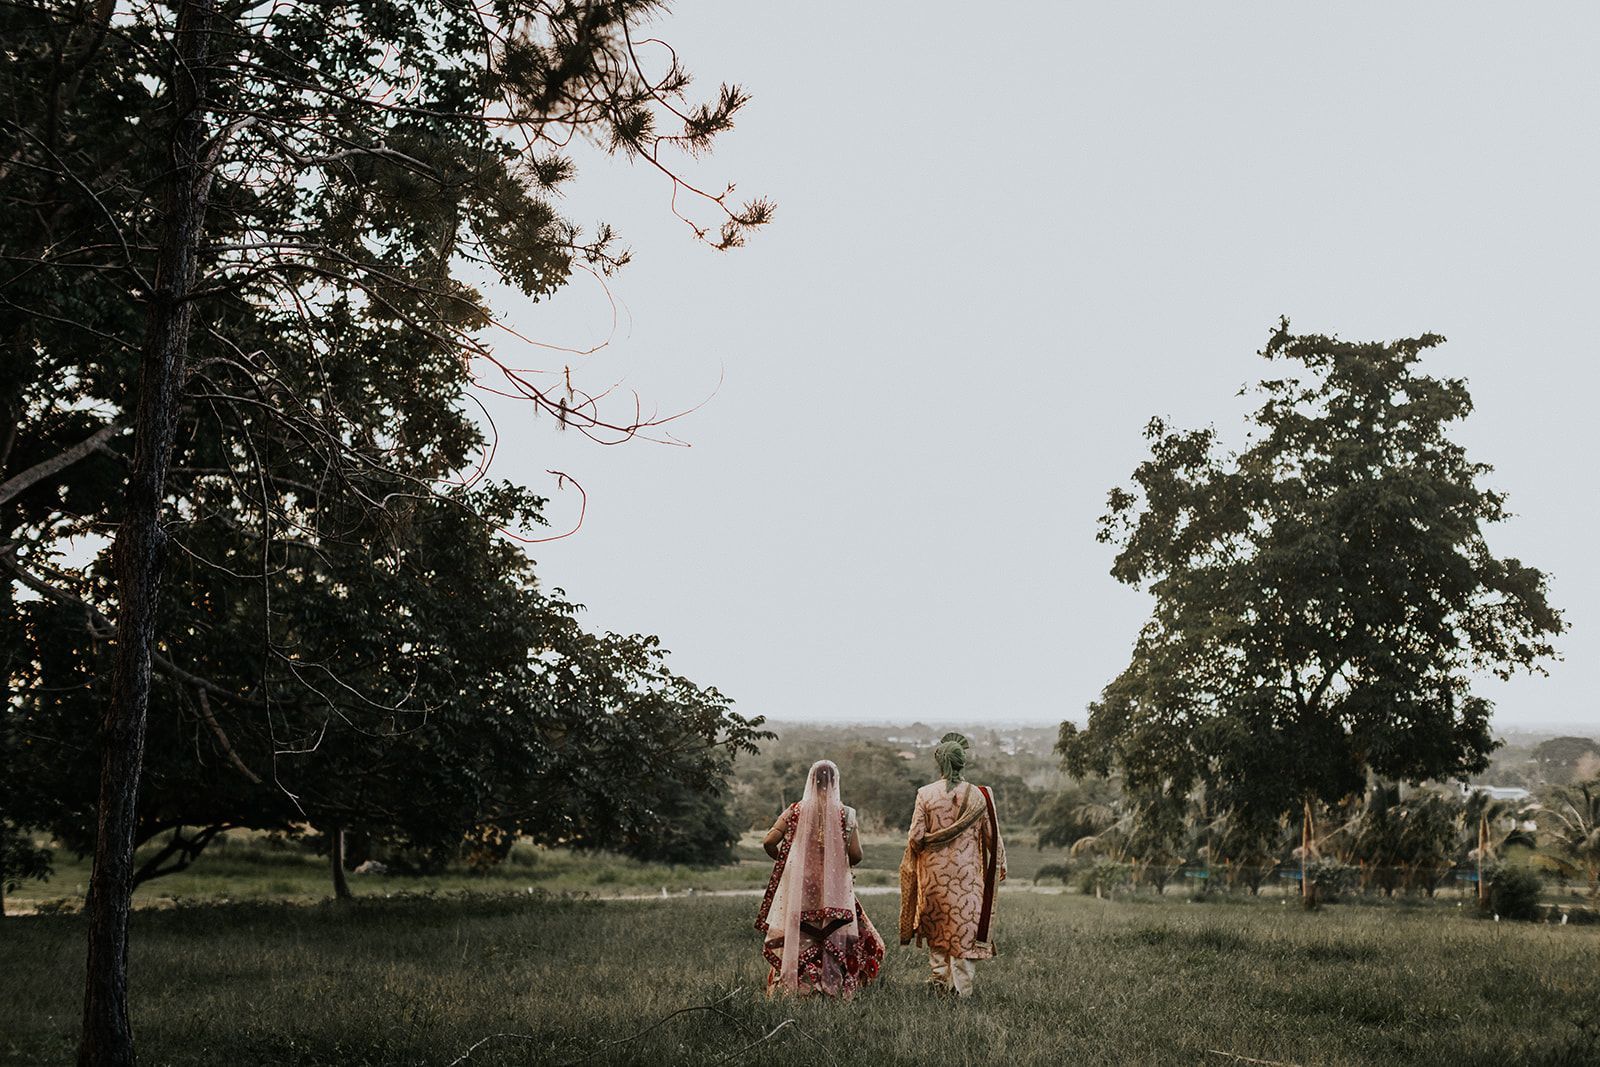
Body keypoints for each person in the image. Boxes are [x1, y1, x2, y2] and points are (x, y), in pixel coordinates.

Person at [755, 759, 885, 996]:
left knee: (802, 933)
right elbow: (856, 855)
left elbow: (768, 842)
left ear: (811, 781)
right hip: (834, 889)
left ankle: (797, 986)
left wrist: (785, 864)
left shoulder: (795, 810)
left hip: (801, 886)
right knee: (834, 932)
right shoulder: (846, 814)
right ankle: (831, 985)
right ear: (835, 782)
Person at [899, 732, 1007, 996]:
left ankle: (940, 984)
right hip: (968, 878)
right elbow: (993, 837)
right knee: (963, 930)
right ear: (963, 762)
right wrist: (1001, 864)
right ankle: (962, 990)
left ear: (940, 763)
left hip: (933, 876)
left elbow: (915, 837)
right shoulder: (980, 796)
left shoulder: (925, 794)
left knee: (938, 929)